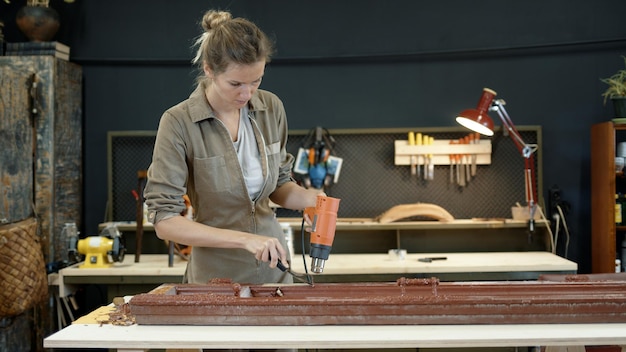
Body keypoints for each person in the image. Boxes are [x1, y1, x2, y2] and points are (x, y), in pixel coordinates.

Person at [143, 9, 323, 285]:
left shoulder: (270, 108)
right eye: (236, 84)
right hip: (215, 280)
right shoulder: (179, 122)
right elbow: (165, 221)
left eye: (256, 81)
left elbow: (279, 185)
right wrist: (246, 240)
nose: (247, 94)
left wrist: (311, 200)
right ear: (209, 70)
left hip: (276, 272)